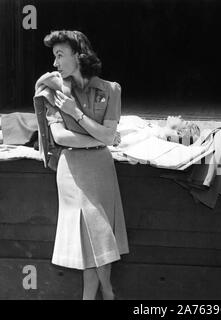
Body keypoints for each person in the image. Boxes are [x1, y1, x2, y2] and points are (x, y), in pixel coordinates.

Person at [40, 30, 129, 299]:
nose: (55, 63)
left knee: (99, 237)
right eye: (54, 56)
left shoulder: (111, 89)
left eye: (60, 55)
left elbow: (109, 136)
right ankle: (108, 292)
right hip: (73, 171)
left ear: (78, 55)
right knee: (90, 238)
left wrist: (75, 113)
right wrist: (97, 135)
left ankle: (92, 295)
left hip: (101, 170)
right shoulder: (52, 90)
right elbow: (60, 136)